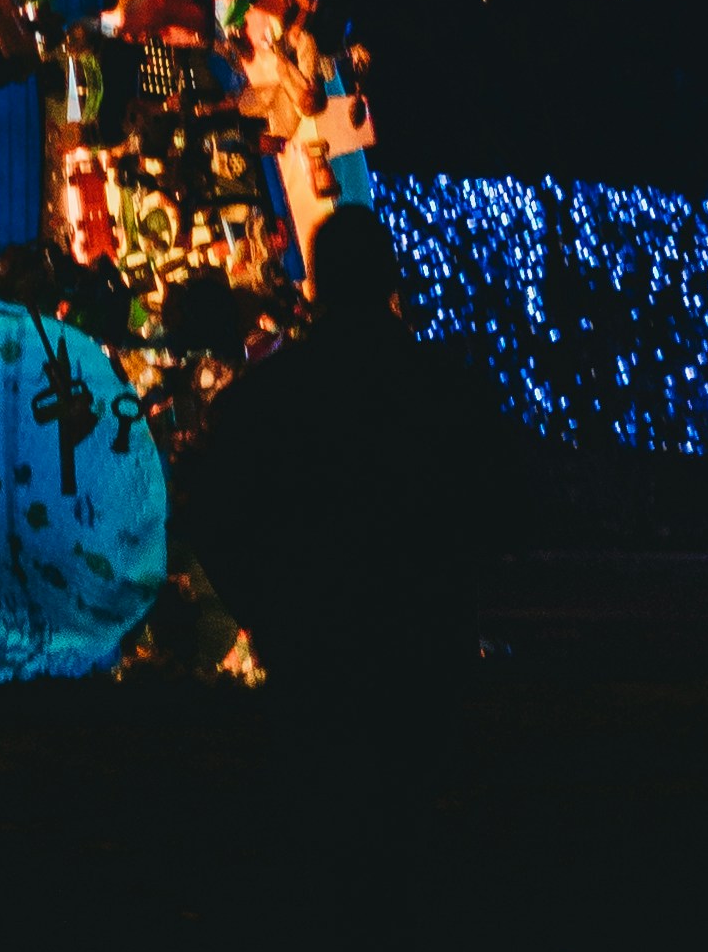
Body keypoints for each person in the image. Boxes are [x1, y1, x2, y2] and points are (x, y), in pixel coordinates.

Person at [177, 206, 519, 762]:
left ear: (315, 285)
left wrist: (266, 614)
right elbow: (504, 510)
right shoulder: (452, 388)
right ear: (391, 281)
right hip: (427, 653)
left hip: (313, 659)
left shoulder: (267, 398)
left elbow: (212, 514)